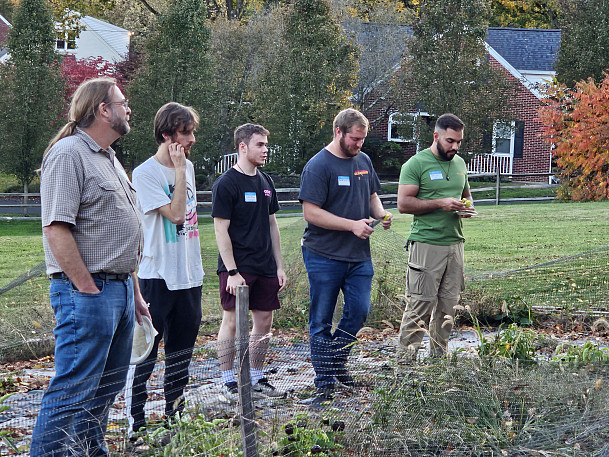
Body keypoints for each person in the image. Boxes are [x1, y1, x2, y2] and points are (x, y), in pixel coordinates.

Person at [31, 77, 149, 457]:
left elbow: (117, 232)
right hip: (88, 292)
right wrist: (85, 287)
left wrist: (135, 292)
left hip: (121, 291)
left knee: (106, 388)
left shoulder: (108, 157)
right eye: (123, 102)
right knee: (73, 389)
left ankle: (88, 451)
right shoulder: (68, 154)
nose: (128, 108)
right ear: (102, 109)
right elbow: (56, 228)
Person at [298, 108, 392, 407]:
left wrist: (381, 214)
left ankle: (335, 360)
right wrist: (352, 225)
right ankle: (324, 384)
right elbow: (310, 213)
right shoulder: (318, 166)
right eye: (355, 139)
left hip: (358, 257)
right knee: (321, 320)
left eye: (363, 139)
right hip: (323, 255)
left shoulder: (363, 161)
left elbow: (371, 195)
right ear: (338, 132)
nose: (359, 145)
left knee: (359, 311)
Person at [126, 102, 204, 436]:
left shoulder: (187, 167)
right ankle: (137, 423)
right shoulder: (144, 174)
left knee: (181, 355)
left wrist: (183, 168)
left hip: (189, 275)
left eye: (192, 132)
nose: (192, 139)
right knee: (146, 355)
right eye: (186, 133)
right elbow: (174, 215)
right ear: (166, 135)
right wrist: (179, 170)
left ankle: (174, 418)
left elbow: (188, 218)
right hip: (156, 276)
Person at [212, 123, 287, 404]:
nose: (265, 149)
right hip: (237, 267)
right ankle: (227, 382)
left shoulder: (266, 182)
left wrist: (278, 266)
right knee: (231, 321)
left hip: (265, 266)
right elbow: (220, 229)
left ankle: (256, 378)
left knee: (264, 322)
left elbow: (272, 225)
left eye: (266, 144)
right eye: (260, 144)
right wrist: (232, 271)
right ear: (243, 147)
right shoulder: (227, 183)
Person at [396, 113, 473, 363]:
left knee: (447, 311)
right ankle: (405, 372)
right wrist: (441, 203)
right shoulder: (416, 164)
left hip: (455, 244)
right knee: (419, 309)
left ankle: (438, 368)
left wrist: (466, 208)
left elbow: (466, 196)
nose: (455, 147)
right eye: (450, 141)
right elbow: (403, 204)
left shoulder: (460, 164)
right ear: (436, 136)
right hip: (426, 245)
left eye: (459, 142)